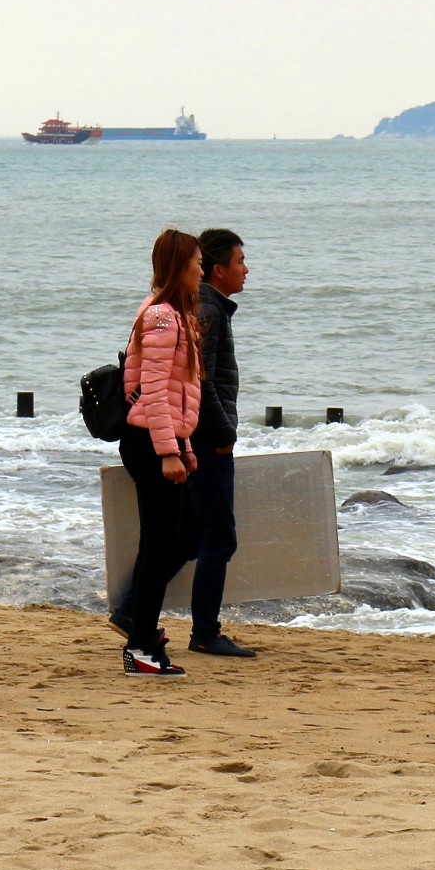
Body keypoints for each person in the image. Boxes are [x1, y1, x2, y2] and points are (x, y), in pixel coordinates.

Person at [109, 227, 206, 677]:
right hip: (150, 442)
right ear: (179, 267)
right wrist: (170, 450)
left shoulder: (168, 314)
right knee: (161, 546)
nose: (201, 270)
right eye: (197, 263)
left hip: (157, 440)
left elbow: (168, 391)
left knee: (161, 544)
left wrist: (183, 447)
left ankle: (143, 638)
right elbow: (152, 392)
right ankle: (141, 644)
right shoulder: (163, 317)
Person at [184, 227, 253, 658]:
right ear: (217, 269)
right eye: (240, 261)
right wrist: (224, 431)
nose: (246, 269)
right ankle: (206, 632)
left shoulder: (209, 306)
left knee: (190, 535)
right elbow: (201, 380)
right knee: (220, 538)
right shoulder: (207, 308)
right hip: (208, 440)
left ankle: (133, 609)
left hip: (200, 436)